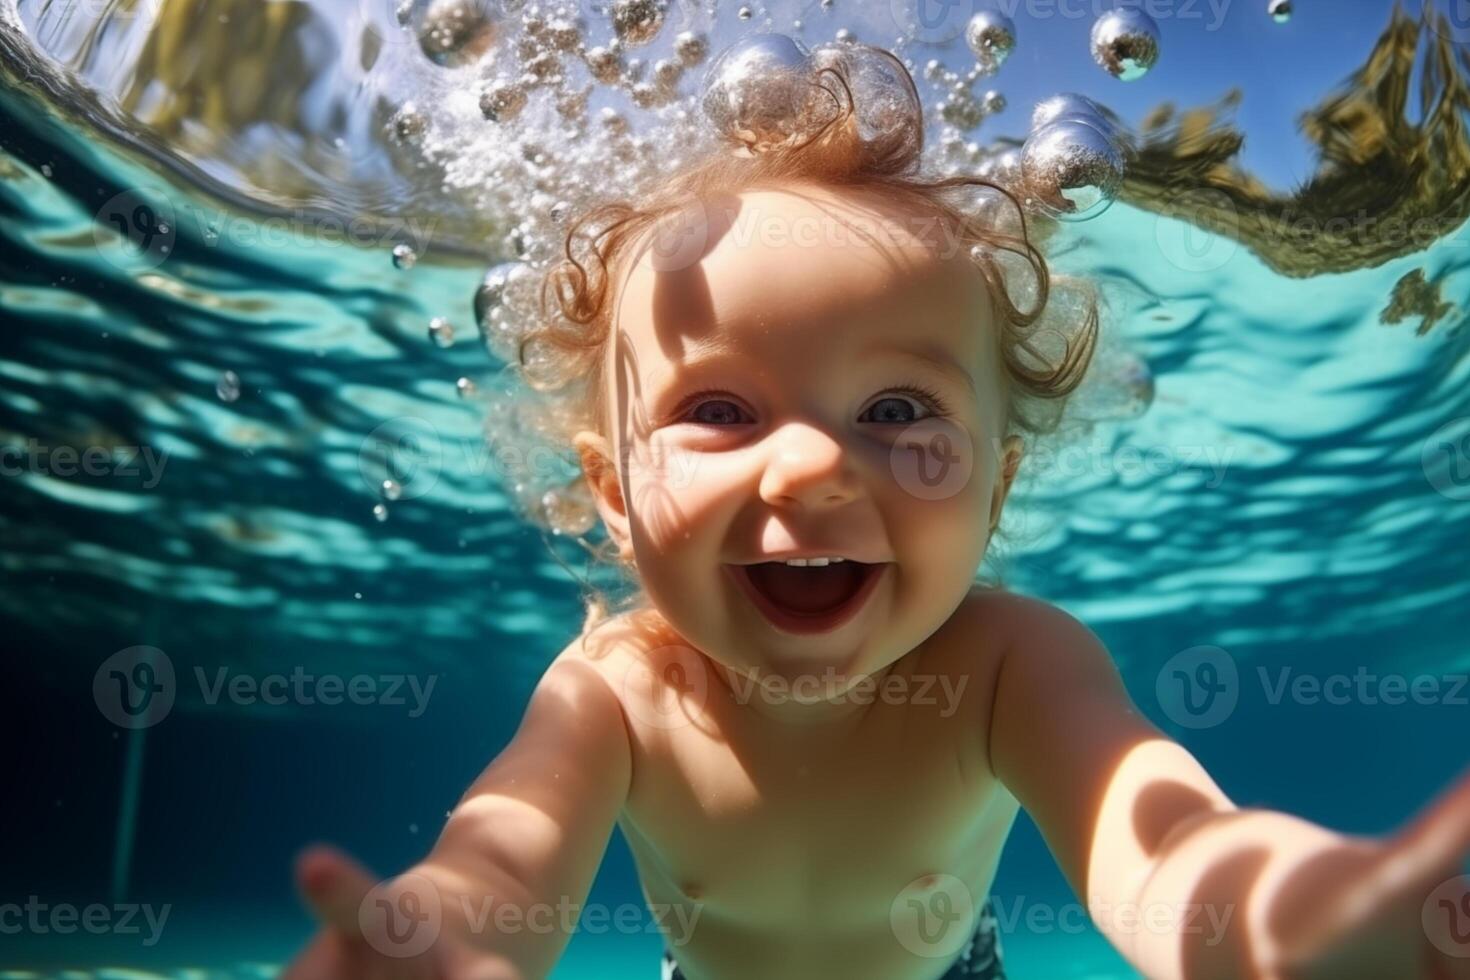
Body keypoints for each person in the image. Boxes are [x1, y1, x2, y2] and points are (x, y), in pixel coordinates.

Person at [282, 54, 1470, 980]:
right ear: (614, 490)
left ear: (996, 485)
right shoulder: (615, 688)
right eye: (718, 407)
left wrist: (1301, 925)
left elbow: (1165, 845)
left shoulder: (1010, 665)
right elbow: (499, 859)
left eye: (896, 407)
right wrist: (428, 937)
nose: (808, 470)